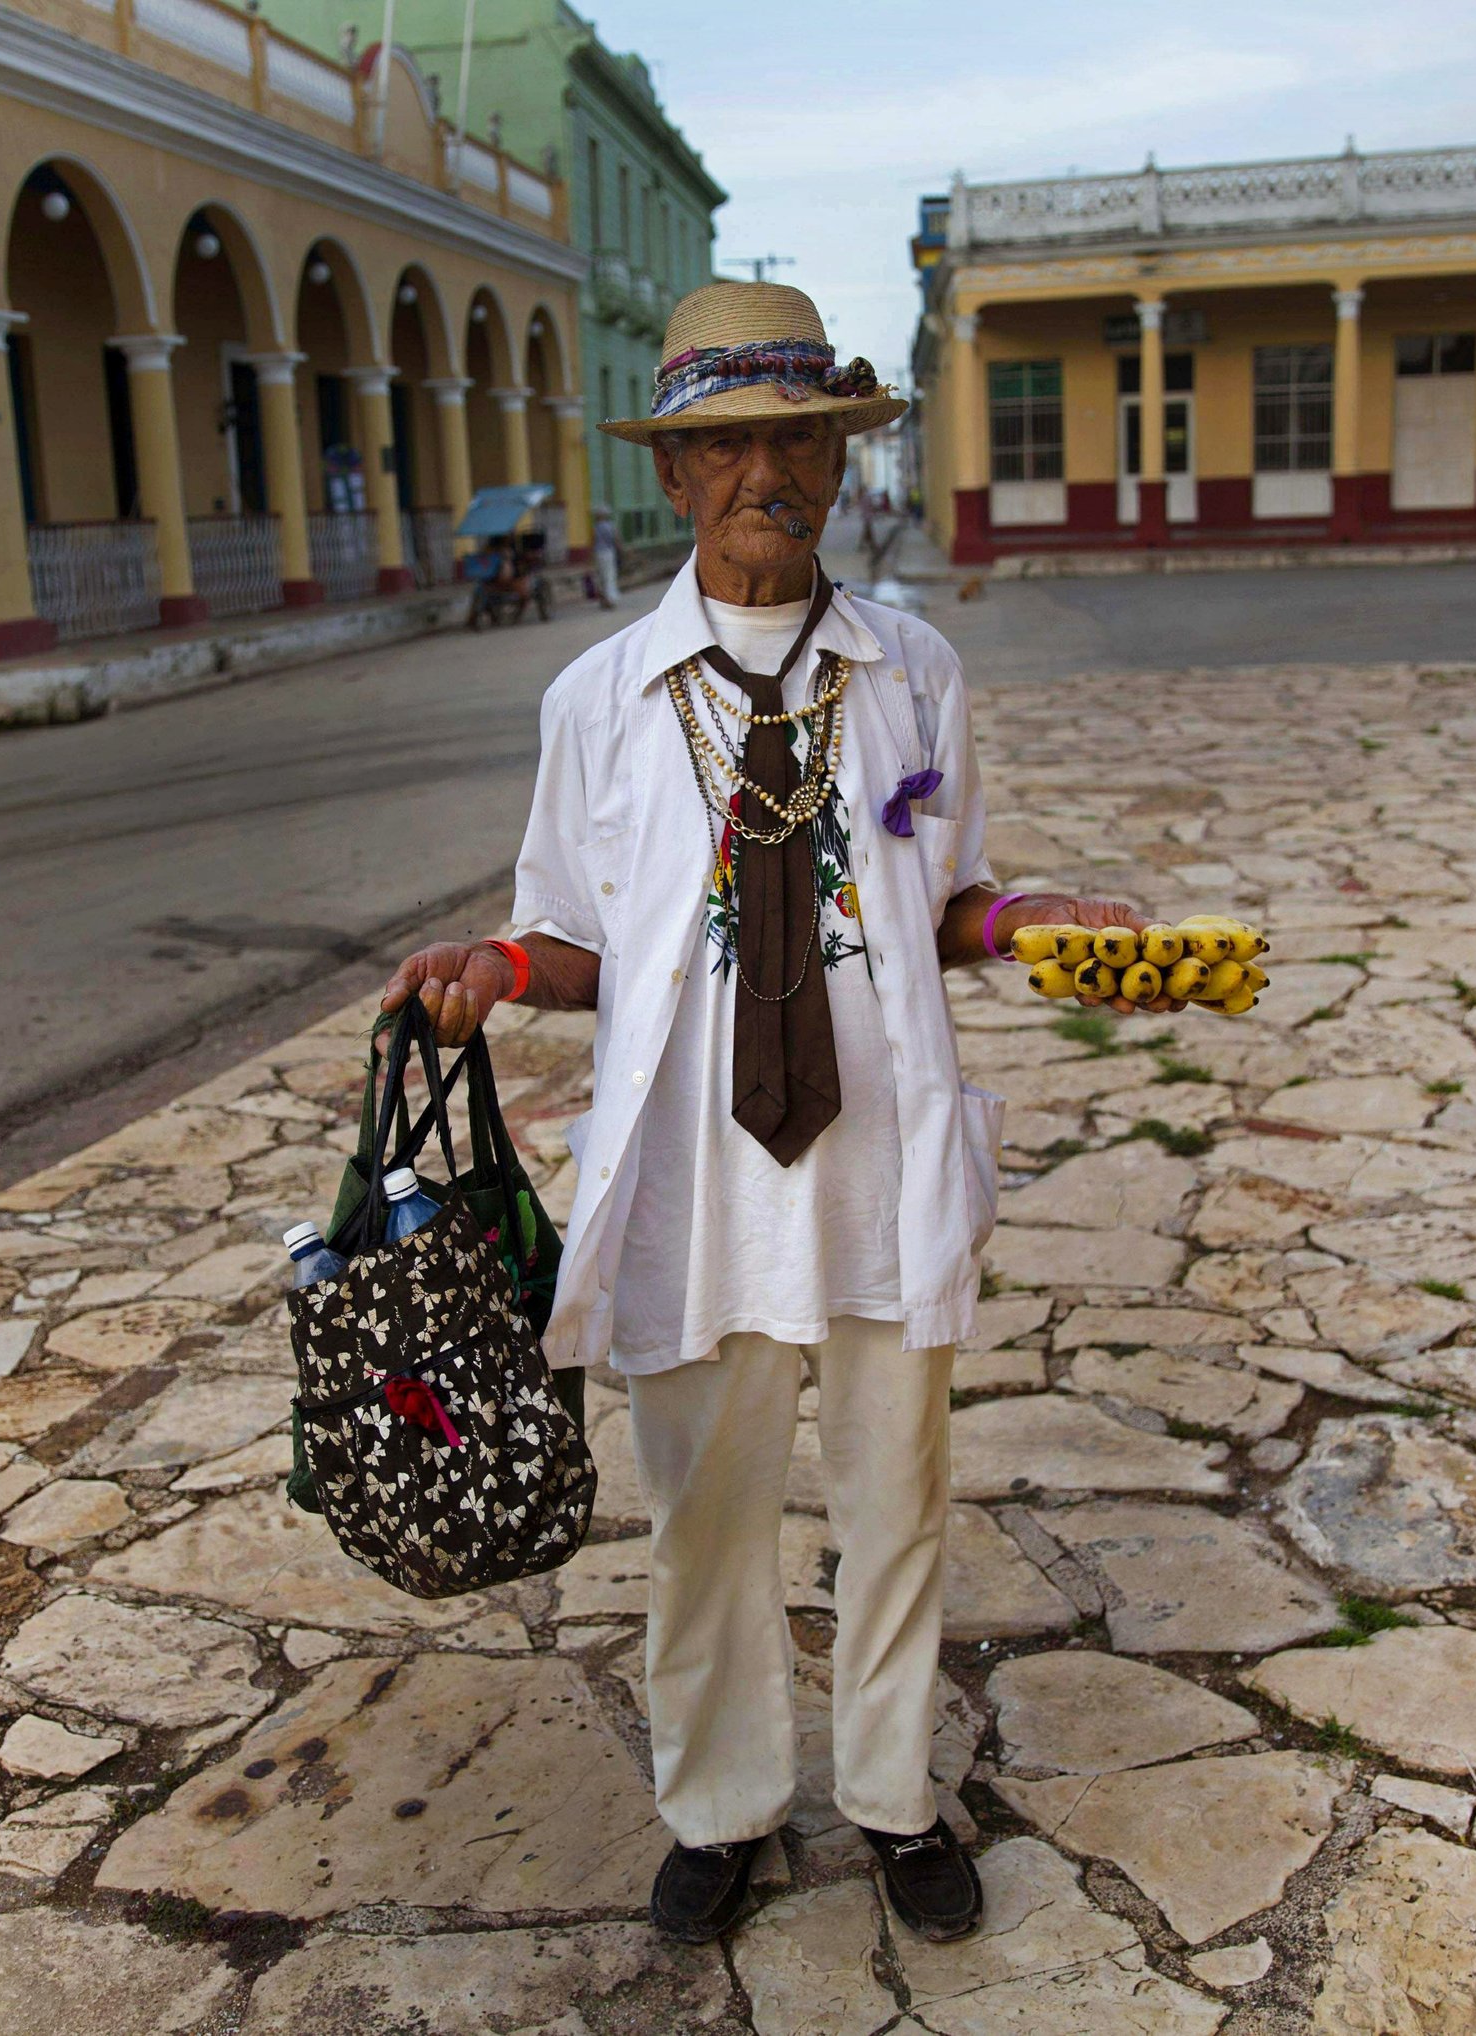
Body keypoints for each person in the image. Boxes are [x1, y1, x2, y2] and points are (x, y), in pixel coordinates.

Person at [378, 281, 1184, 1948]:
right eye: (726, 444)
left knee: (897, 1503)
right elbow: (578, 939)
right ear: (675, 480)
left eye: (796, 440)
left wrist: (1025, 920)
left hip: (880, 1161)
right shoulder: (597, 700)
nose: (766, 472)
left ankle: (896, 1795)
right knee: (707, 1522)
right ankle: (723, 1805)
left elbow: (937, 895)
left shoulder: (916, 673)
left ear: (836, 462)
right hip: (692, 1178)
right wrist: (490, 965)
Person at [592, 506, 624, 610]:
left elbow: (592, 542)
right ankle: (611, 599)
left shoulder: (595, 527)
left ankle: (603, 599)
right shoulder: (610, 526)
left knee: (601, 577)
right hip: (608, 553)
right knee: (610, 576)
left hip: (598, 553)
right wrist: (621, 552)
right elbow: (616, 539)